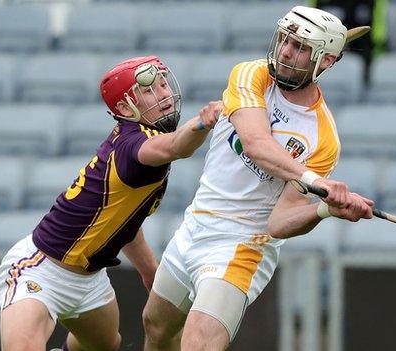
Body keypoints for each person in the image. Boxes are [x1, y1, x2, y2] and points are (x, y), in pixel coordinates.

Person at [141, 6, 374, 351]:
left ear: (325, 62)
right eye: (285, 40)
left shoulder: (323, 138)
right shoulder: (251, 75)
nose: (284, 53)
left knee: (198, 343)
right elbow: (256, 143)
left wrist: (325, 210)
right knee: (156, 329)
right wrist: (316, 181)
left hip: (243, 245)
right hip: (194, 226)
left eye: (300, 48)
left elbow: (280, 223)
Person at [0, 55, 221, 351]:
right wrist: (203, 123)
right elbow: (178, 146)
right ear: (126, 109)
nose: (164, 94)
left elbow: (126, 223)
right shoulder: (135, 145)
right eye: (150, 90)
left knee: (105, 346)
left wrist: (149, 271)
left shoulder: (145, 140)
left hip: (90, 282)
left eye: (164, 84)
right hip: (41, 267)